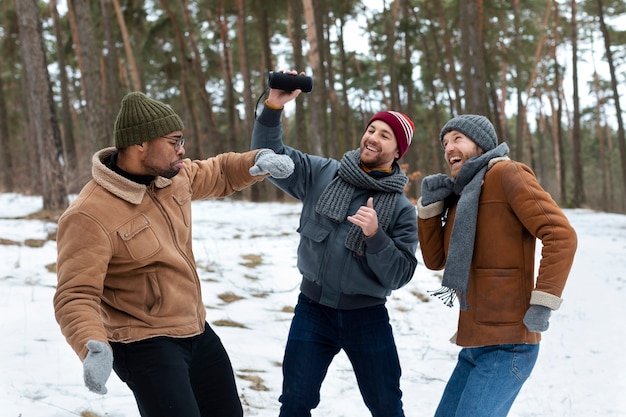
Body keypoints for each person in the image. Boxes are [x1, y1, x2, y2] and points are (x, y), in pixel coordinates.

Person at [53, 91, 295, 417]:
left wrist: (255, 162)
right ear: (140, 143)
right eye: (174, 141)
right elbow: (75, 295)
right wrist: (90, 345)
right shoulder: (88, 214)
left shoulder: (172, 178)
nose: (182, 150)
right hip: (144, 344)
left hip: (195, 329)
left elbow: (219, 172)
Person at [250, 72, 418, 417]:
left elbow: (399, 275)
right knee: (294, 403)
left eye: (385, 135)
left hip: (367, 317)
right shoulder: (322, 173)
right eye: (371, 129)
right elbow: (270, 156)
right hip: (313, 310)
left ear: (398, 150)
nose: (372, 138)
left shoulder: (402, 210)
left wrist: (377, 237)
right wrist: (273, 107)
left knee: (387, 406)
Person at [417, 114, 577, 417]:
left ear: (480, 143)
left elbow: (560, 234)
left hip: (509, 346)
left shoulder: (508, 174)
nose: (449, 147)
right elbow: (435, 259)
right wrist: (430, 208)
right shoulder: (462, 195)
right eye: (445, 143)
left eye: (457, 139)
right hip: (474, 343)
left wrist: (543, 302)